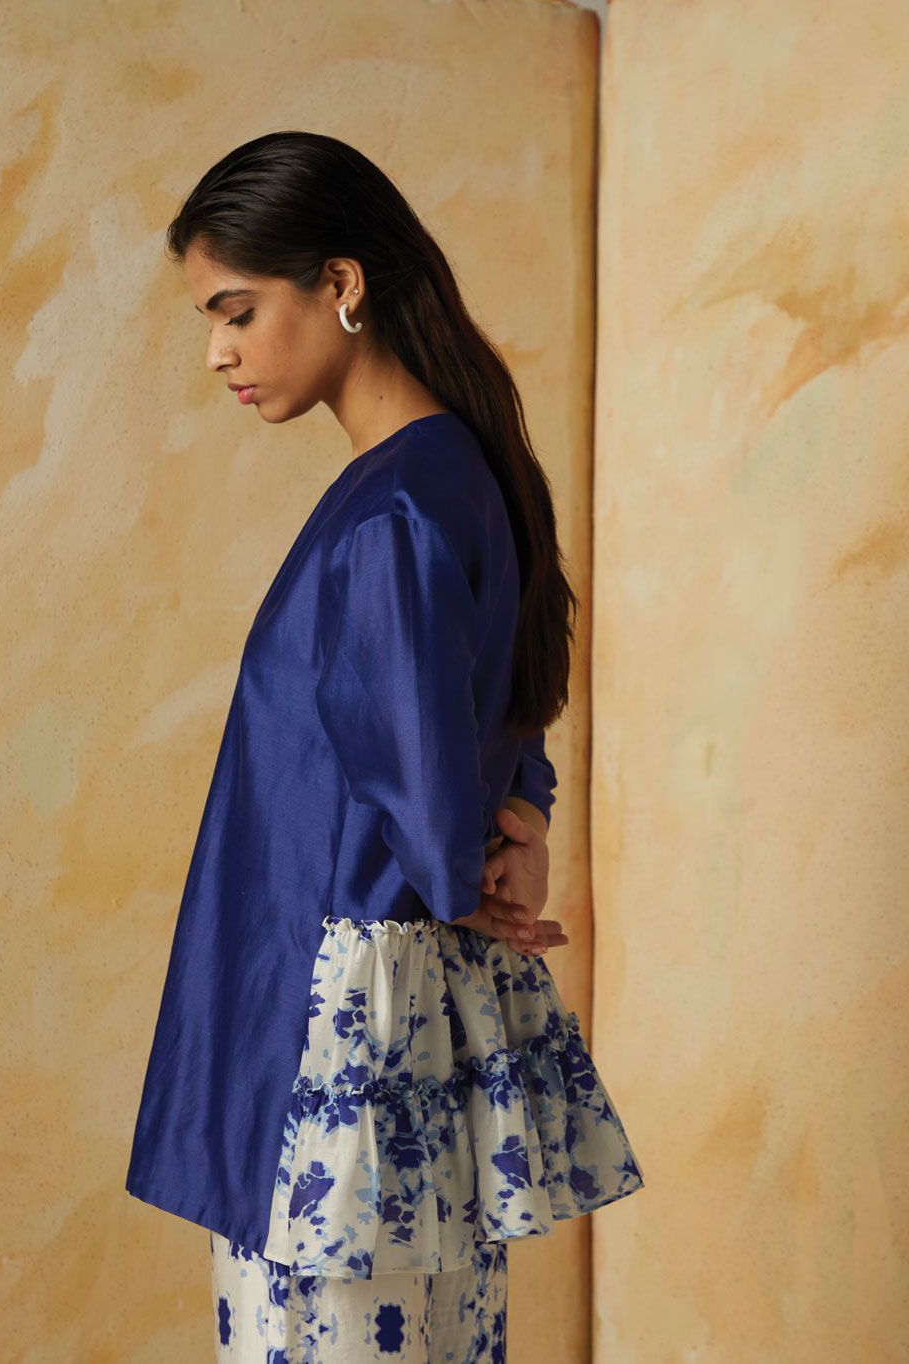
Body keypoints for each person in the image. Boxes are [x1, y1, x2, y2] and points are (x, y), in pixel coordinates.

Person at [125, 131, 644, 1360]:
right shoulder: (458, 474)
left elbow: (421, 788)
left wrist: (469, 865)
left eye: (238, 312)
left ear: (342, 284)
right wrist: (519, 823)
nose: (218, 352)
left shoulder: (390, 512)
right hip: (399, 1018)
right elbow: (499, 707)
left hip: (330, 1038)